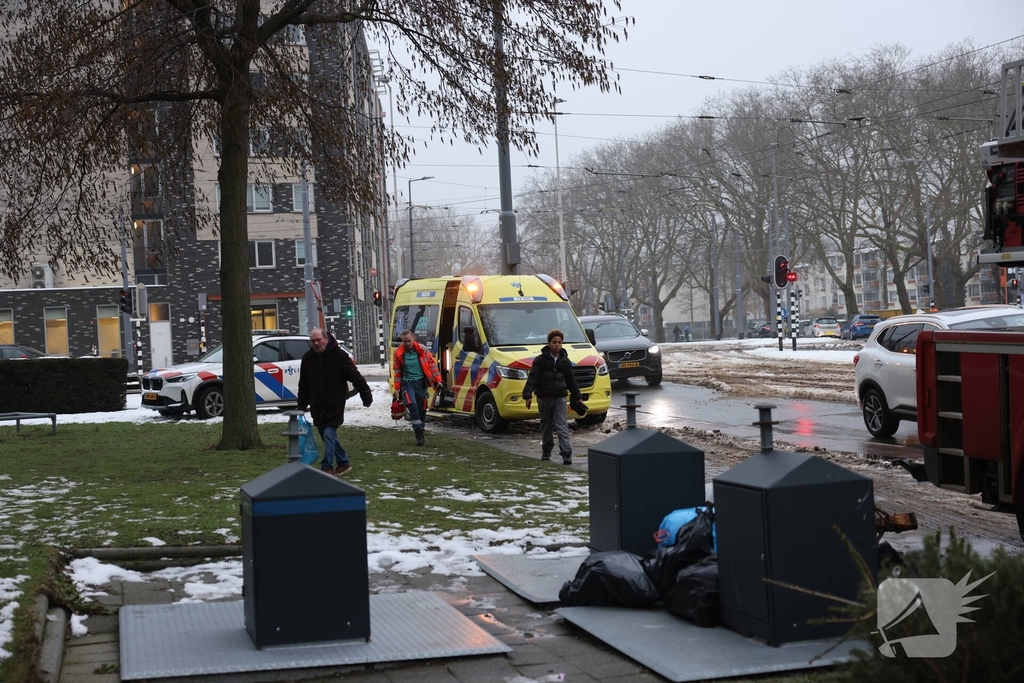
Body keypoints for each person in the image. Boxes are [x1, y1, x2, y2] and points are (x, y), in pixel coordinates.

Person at [297, 328, 372, 476]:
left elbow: (355, 376)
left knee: (329, 433)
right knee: (327, 436)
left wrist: (366, 395)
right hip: (317, 405)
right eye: (313, 341)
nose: (316, 343)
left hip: (335, 404)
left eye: (319, 340)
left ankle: (327, 467)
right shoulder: (307, 358)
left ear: (326, 339)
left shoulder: (339, 356)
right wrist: (301, 405)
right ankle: (343, 463)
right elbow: (304, 384)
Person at [522, 329, 586, 465]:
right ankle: (546, 450)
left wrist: (578, 396)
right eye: (554, 342)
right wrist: (527, 395)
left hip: (559, 398)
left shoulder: (565, 361)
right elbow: (532, 378)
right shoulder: (540, 360)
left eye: (560, 342)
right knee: (546, 426)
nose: (557, 345)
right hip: (543, 398)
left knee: (562, 425)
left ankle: (566, 453)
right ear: (549, 344)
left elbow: (571, 380)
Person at [392, 329, 443, 446]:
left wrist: (438, 381)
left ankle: (421, 427)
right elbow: (397, 371)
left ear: (413, 339)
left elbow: (432, 365)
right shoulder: (398, 353)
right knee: (412, 405)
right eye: (405, 342)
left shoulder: (422, 350)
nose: (408, 344)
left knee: (421, 409)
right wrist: (397, 388)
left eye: (409, 341)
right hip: (407, 383)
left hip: (421, 383)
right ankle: (418, 433)